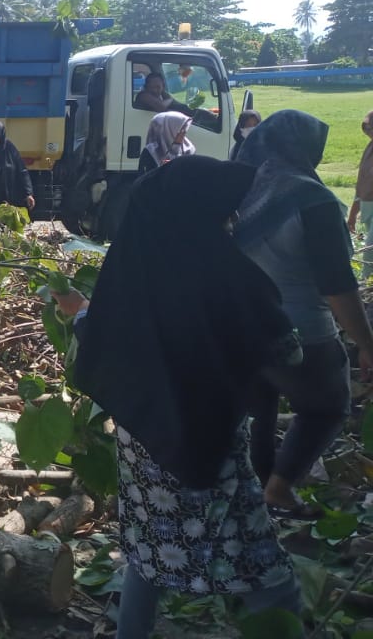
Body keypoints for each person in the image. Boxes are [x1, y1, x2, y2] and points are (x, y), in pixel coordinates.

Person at [60, 156, 304, 639]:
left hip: (143, 436)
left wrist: (78, 312)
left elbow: (107, 334)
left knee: (148, 545)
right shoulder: (230, 271)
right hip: (209, 440)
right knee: (255, 559)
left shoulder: (132, 265)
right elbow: (287, 354)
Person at [234, 109, 373, 517]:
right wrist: (366, 344)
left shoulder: (242, 190)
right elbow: (337, 286)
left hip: (241, 324)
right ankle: (278, 490)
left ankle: (256, 494)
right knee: (327, 407)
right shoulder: (311, 198)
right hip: (302, 330)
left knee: (259, 411)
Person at [345, 110, 373, 280]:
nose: (369, 132)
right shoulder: (369, 148)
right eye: (367, 129)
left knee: (370, 249)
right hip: (368, 209)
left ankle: (366, 284)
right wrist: (353, 214)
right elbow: (361, 183)